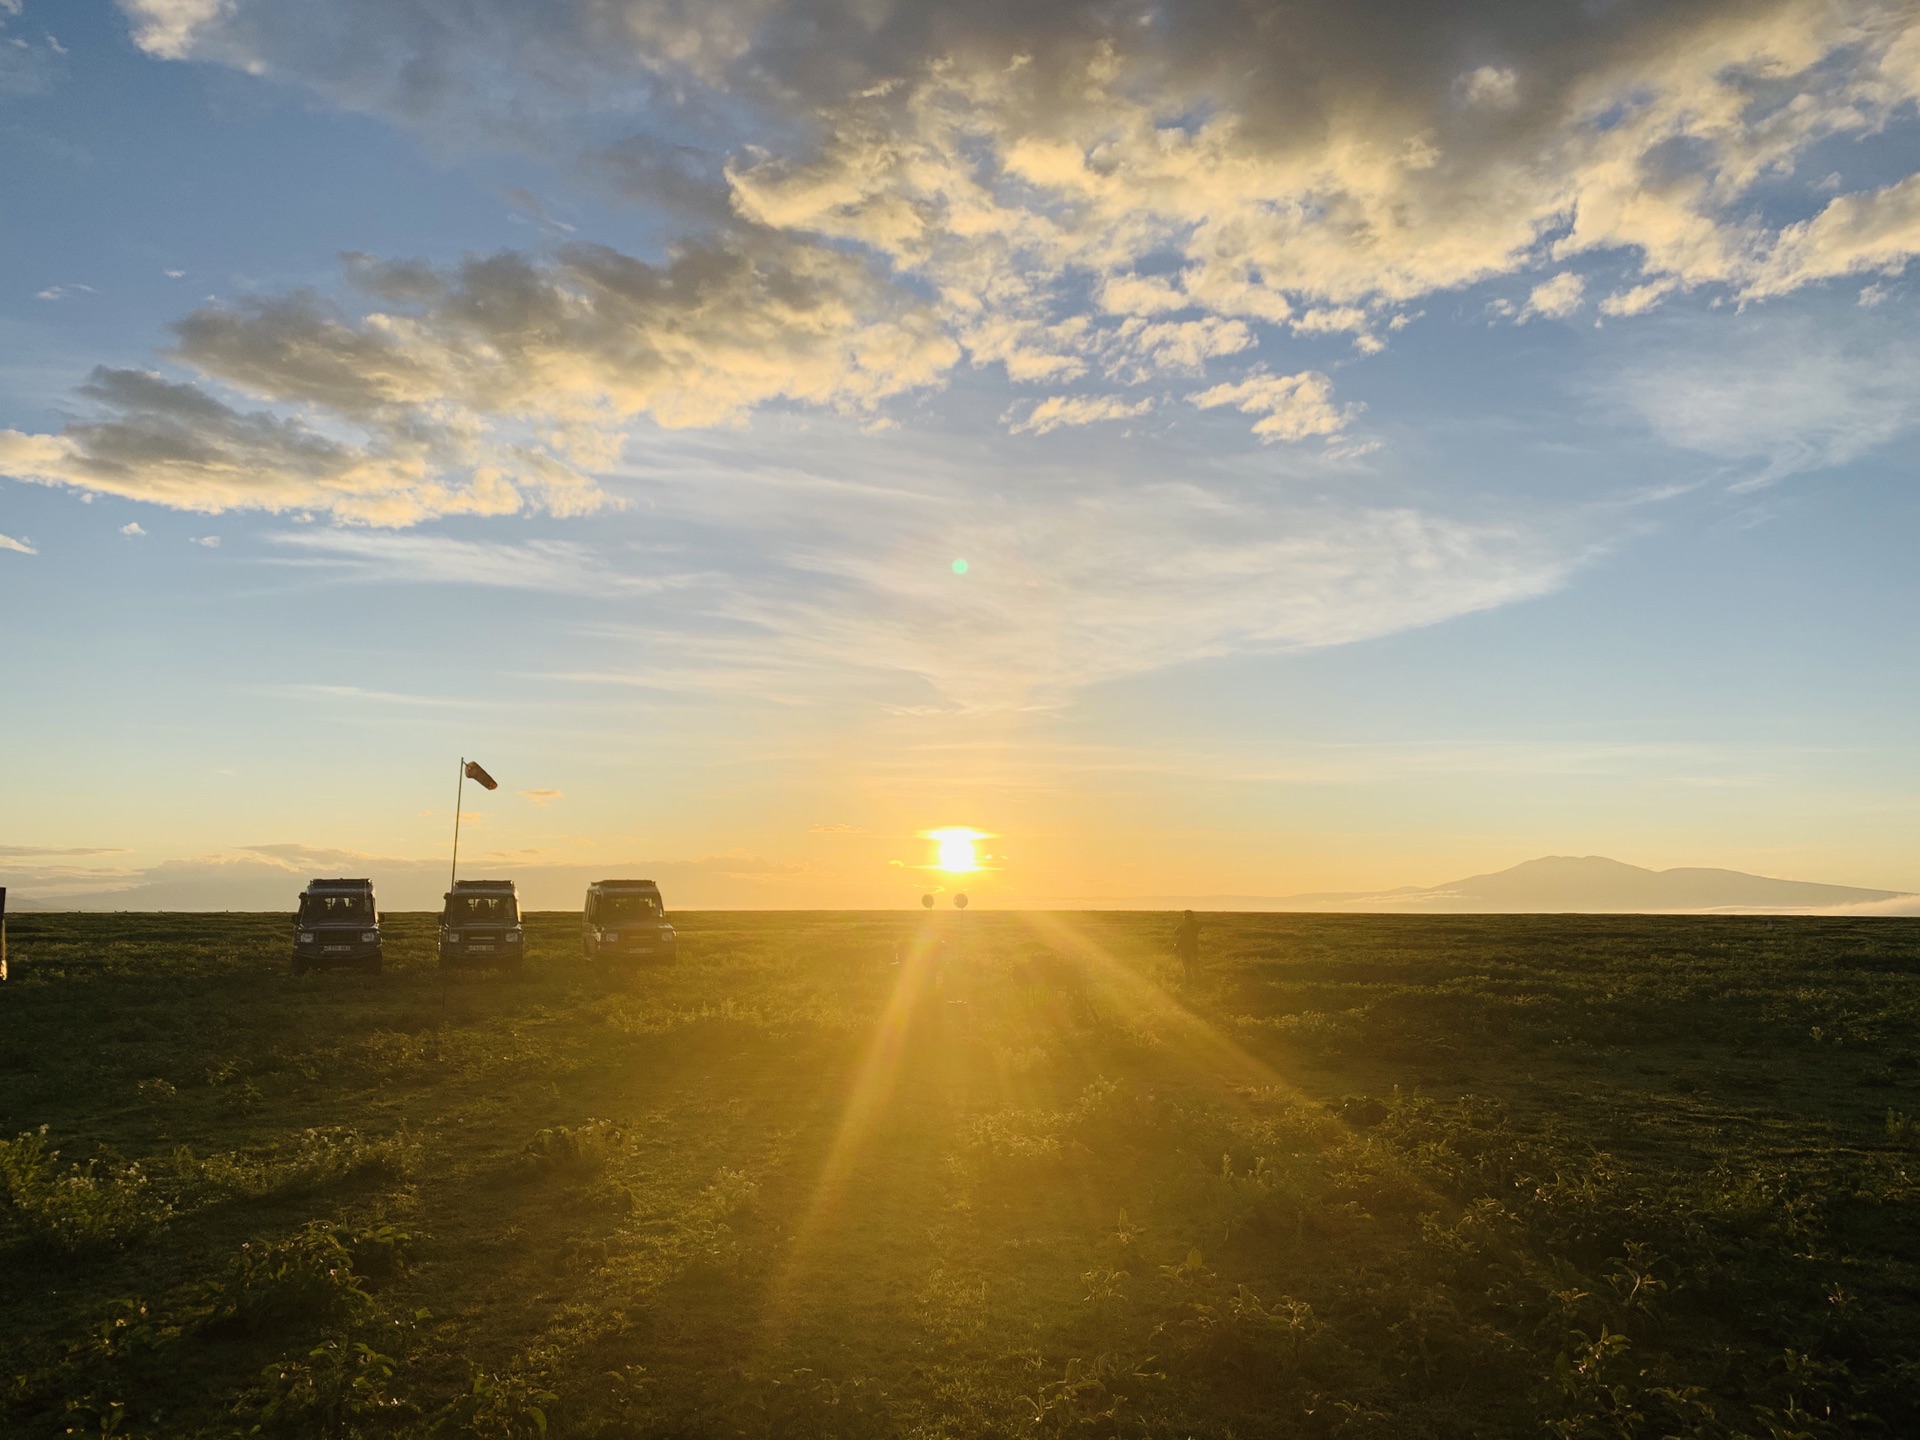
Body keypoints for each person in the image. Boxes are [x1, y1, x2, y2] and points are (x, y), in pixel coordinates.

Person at [1172, 909, 1201, 983]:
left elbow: (1176, 932)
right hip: (1193, 948)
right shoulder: (1197, 924)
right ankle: (1197, 981)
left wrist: (1176, 947)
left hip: (1184, 948)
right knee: (1194, 966)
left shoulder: (1184, 925)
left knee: (1186, 967)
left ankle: (1189, 981)